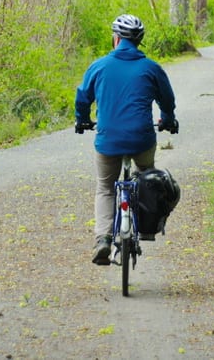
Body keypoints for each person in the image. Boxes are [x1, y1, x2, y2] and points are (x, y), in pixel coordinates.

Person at [74, 14, 178, 265]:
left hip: (108, 140)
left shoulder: (98, 66)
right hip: (141, 139)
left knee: (105, 187)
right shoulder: (152, 68)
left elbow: (82, 98)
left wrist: (83, 119)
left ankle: (103, 240)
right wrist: (167, 119)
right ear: (139, 41)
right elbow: (167, 100)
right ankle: (145, 228)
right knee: (146, 176)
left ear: (116, 38)